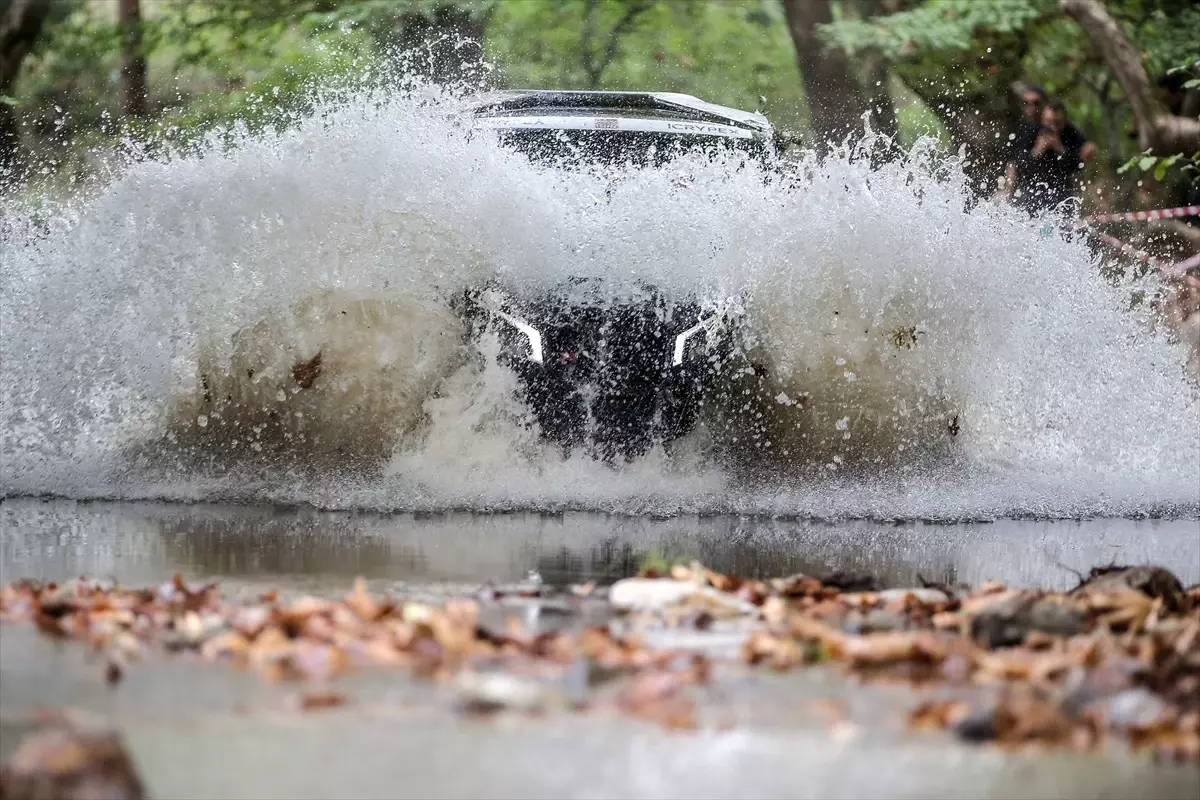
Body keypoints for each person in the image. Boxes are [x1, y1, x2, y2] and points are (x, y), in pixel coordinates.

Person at [1003, 85, 1095, 208]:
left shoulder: (1068, 132)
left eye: (1057, 123)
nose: (1052, 127)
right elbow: (1017, 164)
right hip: (1031, 195)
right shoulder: (1029, 130)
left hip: (1062, 196)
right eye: (1026, 103)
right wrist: (1038, 150)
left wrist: (1060, 149)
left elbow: (1080, 161)